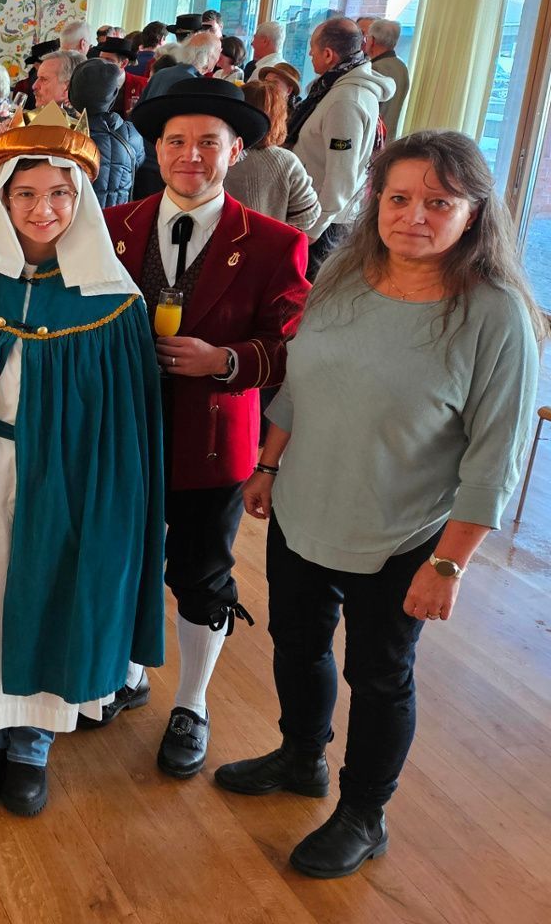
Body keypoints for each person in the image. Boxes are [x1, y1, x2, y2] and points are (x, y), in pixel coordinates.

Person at [218, 131, 541, 878]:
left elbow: (497, 458)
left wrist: (449, 566)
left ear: (474, 212)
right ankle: (302, 757)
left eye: (439, 202)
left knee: (380, 674)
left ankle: (365, 813)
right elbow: (300, 378)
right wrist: (270, 461)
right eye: (399, 199)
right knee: (296, 646)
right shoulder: (344, 276)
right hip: (306, 507)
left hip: (406, 534)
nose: (415, 216)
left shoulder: (496, 318)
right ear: (376, 202)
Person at [0, 125, 165, 817]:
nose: (43, 209)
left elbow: (127, 428)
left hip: (69, 478)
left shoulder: (113, 301)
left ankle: (33, 743)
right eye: (26, 195)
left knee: (50, 592)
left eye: (59, 194)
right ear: (1, 201)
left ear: (80, 200)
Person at [99, 80, 310, 780]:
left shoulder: (276, 243)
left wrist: (226, 360)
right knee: (121, 559)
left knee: (201, 572)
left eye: (208, 143)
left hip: (215, 441)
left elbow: (293, 347)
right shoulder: (112, 226)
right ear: (156, 149)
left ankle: (191, 703)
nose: (192, 156)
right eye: (178, 142)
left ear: (236, 150)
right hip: (118, 433)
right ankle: (126, 673)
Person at [286, 16, 394, 278]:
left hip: (324, 226)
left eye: (312, 47)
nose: (309, 53)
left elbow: (341, 177)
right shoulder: (333, 89)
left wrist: (313, 230)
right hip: (315, 217)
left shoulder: (345, 100)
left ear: (328, 53)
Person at [224, 80, 321, 233]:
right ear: (279, 118)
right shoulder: (287, 162)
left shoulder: (218, 155)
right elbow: (308, 217)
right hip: (268, 249)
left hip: (216, 247)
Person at [70, 58, 143, 207]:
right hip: (120, 219)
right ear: (114, 94)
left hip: (77, 220)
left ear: (71, 92)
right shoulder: (132, 134)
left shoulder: (65, 134)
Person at [366, 18, 410, 134]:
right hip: (389, 138)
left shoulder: (374, 69)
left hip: (374, 139)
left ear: (372, 41)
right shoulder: (402, 67)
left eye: (367, 37)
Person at [97, 36, 149, 117]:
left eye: (108, 60)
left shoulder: (141, 85)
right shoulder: (93, 80)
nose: (102, 64)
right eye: (101, 59)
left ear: (124, 63)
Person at [30, 49, 86, 114]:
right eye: (38, 78)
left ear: (68, 87)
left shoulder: (78, 123)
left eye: (44, 79)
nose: (34, 86)